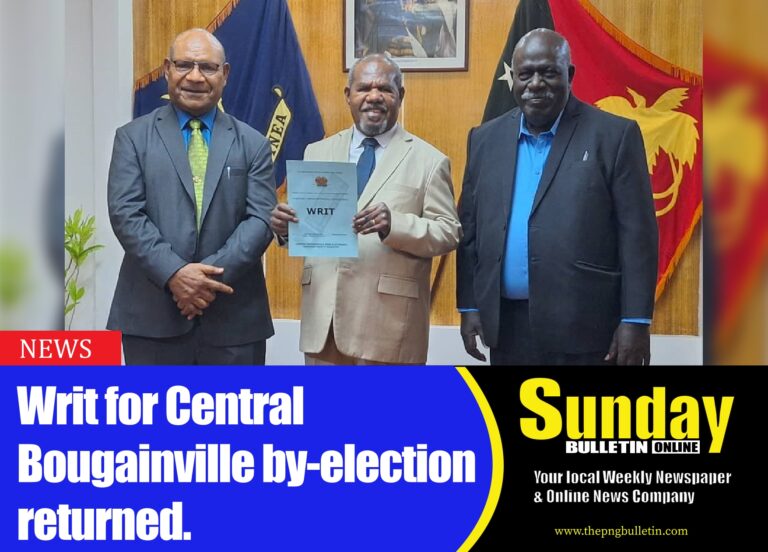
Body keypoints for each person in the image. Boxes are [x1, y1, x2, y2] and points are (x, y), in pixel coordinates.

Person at [456, 28, 658, 366]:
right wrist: (470, 305)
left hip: (588, 329)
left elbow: (638, 235)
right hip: (508, 328)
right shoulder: (484, 139)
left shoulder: (614, 136)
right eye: (526, 73)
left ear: (570, 75)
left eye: (548, 72)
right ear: (514, 79)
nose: (536, 83)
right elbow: (470, 230)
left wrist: (636, 320)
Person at [270, 53, 461, 365]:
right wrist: (284, 228)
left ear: (401, 95)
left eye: (385, 88)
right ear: (348, 96)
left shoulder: (430, 160)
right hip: (324, 323)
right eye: (364, 88)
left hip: (389, 326)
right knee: (325, 415)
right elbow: (311, 228)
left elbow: (448, 232)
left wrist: (393, 225)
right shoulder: (317, 151)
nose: (374, 96)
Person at [107, 28, 276, 364]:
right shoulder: (132, 138)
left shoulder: (254, 143)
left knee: (236, 416)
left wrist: (203, 281)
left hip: (235, 322)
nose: (195, 77)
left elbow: (260, 220)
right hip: (151, 317)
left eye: (208, 68)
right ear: (167, 69)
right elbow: (126, 214)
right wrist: (175, 274)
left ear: (225, 74)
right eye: (184, 65)